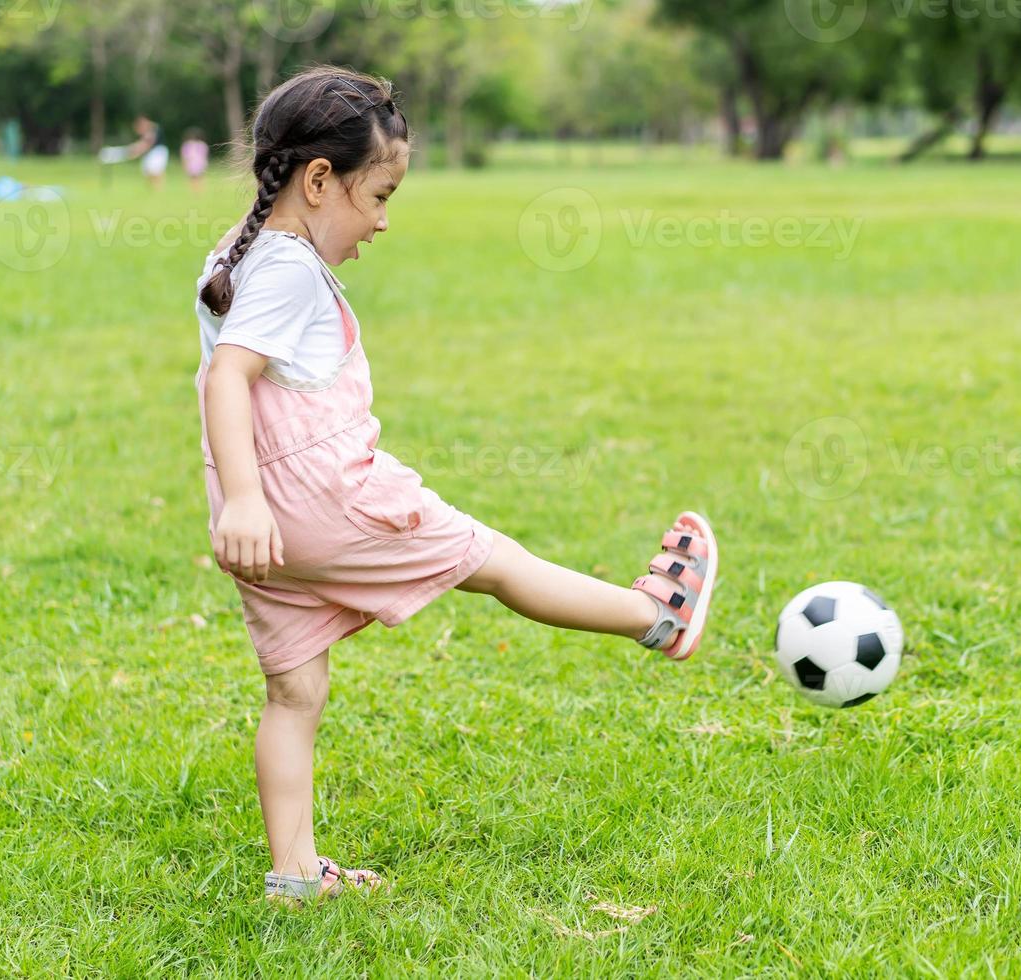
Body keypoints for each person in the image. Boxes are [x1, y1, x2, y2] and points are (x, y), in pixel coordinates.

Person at [194, 66, 719, 906]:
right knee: (497, 562)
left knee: (294, 691)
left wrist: (247, 504)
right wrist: (256, 501)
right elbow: (229, 377)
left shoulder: (238, 247)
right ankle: (655, 616)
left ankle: (293, 877)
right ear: (319, 179)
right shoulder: (288, 266)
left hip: (263, 530)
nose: (384, 221)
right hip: (326, 498)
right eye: (379, 195)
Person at [125, 115, 168, 190]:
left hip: (157, 151)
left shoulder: (153, 129)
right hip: (151, 152)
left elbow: (148, 143)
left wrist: (136, 152)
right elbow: (143, 143)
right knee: (148, 171)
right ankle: (152, 188)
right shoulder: (149, 129)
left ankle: (158, 188)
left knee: (156, 171)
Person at [180, 127, 210, 193]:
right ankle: (201, 190)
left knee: (192, 178)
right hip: (201, 163)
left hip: (192, 163)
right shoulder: (203, 145)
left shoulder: (187, 145)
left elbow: (184, 156)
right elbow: (205, 155)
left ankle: (194, 191)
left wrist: (184, 164)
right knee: (200, 177)